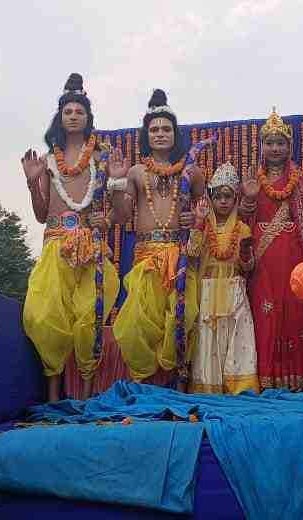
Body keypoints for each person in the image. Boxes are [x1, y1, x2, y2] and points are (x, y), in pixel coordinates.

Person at [20, 73, 125, 401]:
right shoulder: (49, 160)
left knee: (89, 318)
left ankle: (87, 397)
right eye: (68, 111)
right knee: (44, 315)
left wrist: (107, 217)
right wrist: (32, 182)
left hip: (89, 247)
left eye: (80, 111)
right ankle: (53, 397)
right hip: (55, 244)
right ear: (60, 117)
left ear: (88, 118)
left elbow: (120, 214)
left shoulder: (100, 159)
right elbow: (41, 214)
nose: (74, 116)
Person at [110, 89, 205, 390]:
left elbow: (206, 213)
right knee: (139, 325)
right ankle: (144, 391)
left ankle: (176, 392)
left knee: (179, 321)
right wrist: (116, 181)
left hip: (180, 255)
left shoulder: (192, 172)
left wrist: (195, 220)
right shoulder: (136, 172)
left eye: (166, 129)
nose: (160, 134)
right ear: (146, 136)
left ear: (176, 135)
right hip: (146, 258)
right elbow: (122, 216)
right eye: (154, 130)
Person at [241, 108, 303, 391]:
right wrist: (248, 199)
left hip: (295, 258)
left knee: (297, 314)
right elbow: (239, 221)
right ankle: (267, 379)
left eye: (280, 143)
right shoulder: (252, 180)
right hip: (263, 262)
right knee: (264, 316)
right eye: (269, 142)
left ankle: (299, 380)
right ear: (261, 146)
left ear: (289, 147)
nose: (275, 148)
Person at [186, 162, 259, 394]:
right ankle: (209, 386)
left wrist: (245, 254)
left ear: (235, 198)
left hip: (234, 289)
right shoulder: (204, 226)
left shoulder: (242, 228)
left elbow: (248, 267)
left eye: (228, 196)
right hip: (208, 291)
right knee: (208, 339)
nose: (223, 201)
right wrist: (198, 224)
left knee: (237, 338)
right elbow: (191, 253)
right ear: (211, 198)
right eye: (218, 197)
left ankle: (239, 387)